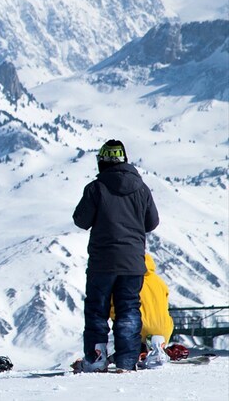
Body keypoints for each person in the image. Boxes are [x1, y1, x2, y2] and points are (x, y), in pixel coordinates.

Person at [73, 140, 159, 372]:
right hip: (132, 263)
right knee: (129, 309)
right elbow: (152, 223)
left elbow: (81, 221)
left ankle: (97, 358)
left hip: (102, 262)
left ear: (101, 161)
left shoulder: (95, 188)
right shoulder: (142, 189)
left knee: (97, 311)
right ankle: (126, 361)